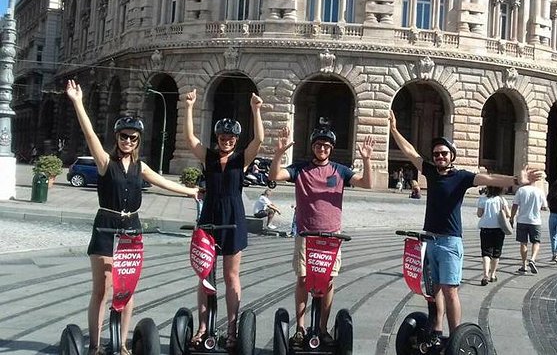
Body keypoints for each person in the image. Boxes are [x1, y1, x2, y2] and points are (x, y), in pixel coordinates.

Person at [65, 80, 199, 355]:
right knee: (102, 289)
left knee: (126, 290)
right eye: (123, 136)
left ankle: (122, 344)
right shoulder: (105, 162)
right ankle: (94, 345)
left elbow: (164, 182)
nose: (128, 141)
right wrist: (78, 102)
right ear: (116, 138)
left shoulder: (141, 166)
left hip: (131, 228)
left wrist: (191, 192)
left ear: (138, 140)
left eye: (133, 137)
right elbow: (89, 133)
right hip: (106, 226)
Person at [388, 110, 542, 349]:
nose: (439, 156)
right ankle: (436, 331)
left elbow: (488, 179)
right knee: (433, 290)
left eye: (443, 153)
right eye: (436, 153)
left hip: (450, 242)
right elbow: (411, 153)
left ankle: (456, 339)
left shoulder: (461, 177)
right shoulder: (429, 171)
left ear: (452, 156)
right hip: (429, 240)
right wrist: (394, 130)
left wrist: (516, 180)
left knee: (450, 291)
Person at [269, 119, 374, 346]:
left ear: (331, 149)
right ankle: (300, 327)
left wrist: (366, 159)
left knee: (327, 283)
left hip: (331, 237)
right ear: (312, 147)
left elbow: (367, 183)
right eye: (318, 145)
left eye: (326, 146)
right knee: (303, 279)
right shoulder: (300, 168)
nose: (322, 149)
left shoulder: (340, 170)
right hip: (306, 234)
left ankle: (323, 329)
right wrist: (279, 152)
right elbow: (275, 176)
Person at [183, 88, 264, 350]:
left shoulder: (241, 160)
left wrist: (256, 109)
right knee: (205, 276)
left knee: (231, 276)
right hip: (209, 218)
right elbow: (189, 138)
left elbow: (259, 140)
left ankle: (231, 328)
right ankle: (203, 326)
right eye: (222, 136)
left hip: (233, 219)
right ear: (217, 137)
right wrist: (189, 107)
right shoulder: (208, 156)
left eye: (231, 137)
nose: (226, 140)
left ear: (236, 139)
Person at [510, 176, 547, 274]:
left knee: (523, 243)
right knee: (536, 242)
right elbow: (545, 207)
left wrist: (511, 217)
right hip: (535, 221)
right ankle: (533, 259)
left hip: (522, 220)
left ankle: (524, 265)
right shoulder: (540, 191)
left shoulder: (521, 190)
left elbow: (515, 205)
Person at [476, 185, 511, 285]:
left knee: (486, 253)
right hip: (499, 229)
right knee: (496, 252)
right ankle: (493, 275)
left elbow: (479, 214)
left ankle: (485, 275)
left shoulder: (483, 199)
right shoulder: (501, 200)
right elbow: (508, 214)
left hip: (486, 228)